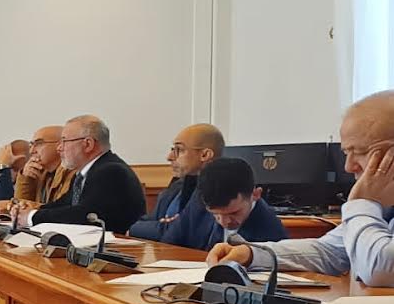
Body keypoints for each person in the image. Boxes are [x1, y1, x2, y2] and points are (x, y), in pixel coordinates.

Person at [208, 90, 394, 286]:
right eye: (347, 153)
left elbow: (379, 269)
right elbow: (329, 251)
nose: (349, 167)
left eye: (361, 152)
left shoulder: (367, 205)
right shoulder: (384, 207)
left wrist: (361, 203)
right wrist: (251, 254)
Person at [13, 115, 146, 232]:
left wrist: (32, 217)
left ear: (88, 144)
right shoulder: (84, 173)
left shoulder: (111, 171)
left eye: (64, 141)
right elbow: (64, 205)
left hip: (118, 248)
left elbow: (84, 214)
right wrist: (28, 211)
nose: (59, 148)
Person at [163, 158, 287, 251]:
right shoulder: (199, 204)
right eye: (215, 214)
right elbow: (168, 245)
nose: (223, 222)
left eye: (234, 213)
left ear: (255, 194)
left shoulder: (272, 231)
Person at [130, 124, 224, 242]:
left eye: (179, 150)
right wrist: (162, 227)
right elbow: (139, 224)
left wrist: (163, 227)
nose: (169, 157)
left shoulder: (216, 191)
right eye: (172, 149)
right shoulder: (177, 185)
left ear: (205, 155)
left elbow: (179, 234)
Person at [0, 125, 74, 216]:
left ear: (60, 144)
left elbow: (60, 211)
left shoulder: (72, 172)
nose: (32, 151)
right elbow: (20, 214)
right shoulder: (39, 172)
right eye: (31, 145)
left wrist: (10, 205)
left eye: (39, 143)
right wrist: (26, 179)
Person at [0, 139, 30, 206]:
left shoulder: (29, 182)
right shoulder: (1, 176)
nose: (9, 173)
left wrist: (2, 166)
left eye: (13, 169)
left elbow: (3, 204)